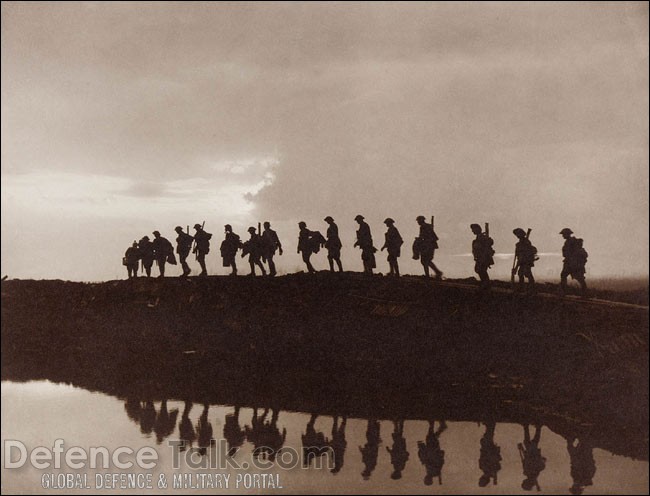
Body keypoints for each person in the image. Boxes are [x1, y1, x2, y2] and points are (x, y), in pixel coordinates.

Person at [559, 228, 588, 297]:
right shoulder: (570, 241)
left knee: (576, 277)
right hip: (572, 263)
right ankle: (584, 293)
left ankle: (564, 292)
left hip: (572, 263)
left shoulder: (570, 242)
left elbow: (568, 253)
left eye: (563, 234)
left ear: (567, 234)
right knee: (578, 277)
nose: (562, 236)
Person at [418, 420, 447, 486]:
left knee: (431, 437)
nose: (425, 478)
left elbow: (439, 471)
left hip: (432, 451)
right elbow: (437, 466)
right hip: (434, 452)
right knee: (431, 437)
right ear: (429, 480)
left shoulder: (431, 473)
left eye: (425, 479)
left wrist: (440, 480)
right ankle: (433, 423)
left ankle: (439, 426)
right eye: (426, 479)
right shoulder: (433, 473)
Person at [518, 424, 546, 491]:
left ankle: (536, 427)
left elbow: (523, 461)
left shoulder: (529, 475)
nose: (523, 481)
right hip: (533, 456)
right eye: (524, 482)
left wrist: (521, 449)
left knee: (532, 442)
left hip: (532, 456)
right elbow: (523, 460)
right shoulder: (529, 474)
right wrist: (521, 449)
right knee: (531, 442)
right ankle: (529, 426)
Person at [512, 228, 537, 293]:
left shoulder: (525, 242)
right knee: (522, 274)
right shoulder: (521, 243)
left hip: (526, 261)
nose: (517, 236)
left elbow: (525, 253)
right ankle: (524, 288)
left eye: (517, 234)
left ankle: (531, 289)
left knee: (527, 274)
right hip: (523, 261)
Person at [470, 224, 495, 290]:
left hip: (484, 257)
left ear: (477, 229)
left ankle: (486, 284)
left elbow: (490, 243)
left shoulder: (482, 237)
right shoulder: (478, 238)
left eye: (473, 229)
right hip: (480, 258)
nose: (472, 231)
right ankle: (485, 284)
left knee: (481, 270)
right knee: (479, 270)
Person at [478, 421, 501, 487]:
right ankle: (491, 423)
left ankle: (490, 424)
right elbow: (494, 463)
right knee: (488, 437)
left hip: (487, 451)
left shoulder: (485, 470)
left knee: (488, 437)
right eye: (481, 480)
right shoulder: (489, 471)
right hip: (489, 452)